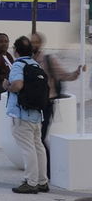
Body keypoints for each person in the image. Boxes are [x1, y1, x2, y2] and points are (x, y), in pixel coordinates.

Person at [31, 30, 85, 175]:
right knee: (34, 139)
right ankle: (39, 169)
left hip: (46, 104)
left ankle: (48, 171)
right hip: (32, 105)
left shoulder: (48, 60)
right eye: (31, 42)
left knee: (40, 138)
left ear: (41, 44)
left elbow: (64, 75)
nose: (33, 44)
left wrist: (77, 72)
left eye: (36, 42)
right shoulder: (28, 59)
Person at [6, 35, 48, 193]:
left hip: (22, 114)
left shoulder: (18, 65)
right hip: (36, 113)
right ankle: (43, 181)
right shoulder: (35, 64)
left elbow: (17, 85)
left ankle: (31, 183)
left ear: (16, 51)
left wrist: (7, 86)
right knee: (38, 147)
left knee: (27, 148)